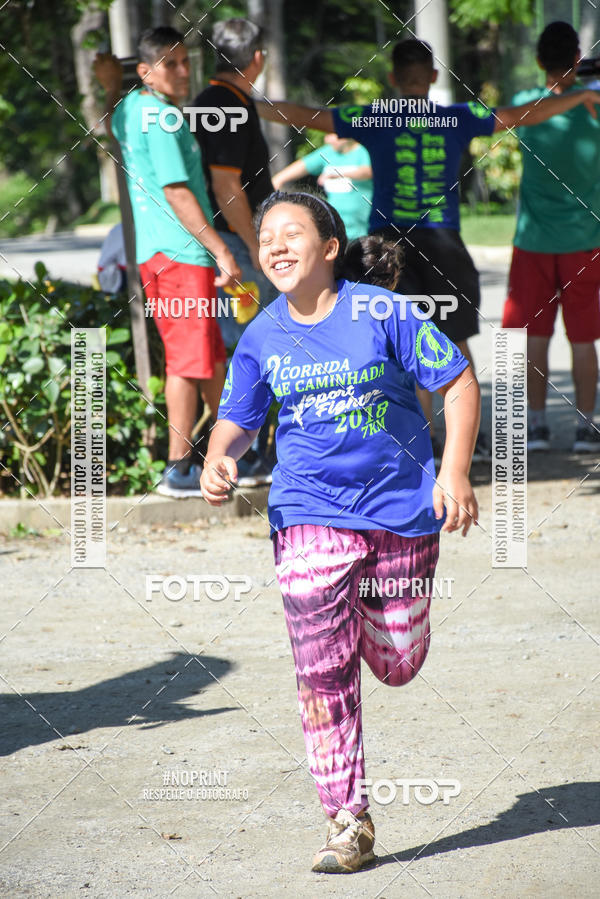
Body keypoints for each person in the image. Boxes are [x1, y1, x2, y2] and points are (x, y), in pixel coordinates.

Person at [200, 190, 480, 872]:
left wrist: (457, 473)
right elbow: (240, 415)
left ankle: (370, 625)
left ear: (330, 248)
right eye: (266, 236)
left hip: (403, 515)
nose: (274, 245)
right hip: (307, 512)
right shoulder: (263, 333)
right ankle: (347, 818)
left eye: (292, 232)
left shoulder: (382, 311)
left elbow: (458, 380)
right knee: (320, 671)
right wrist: (218, 453)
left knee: (398, 662)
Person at [255, 39, 600, 460]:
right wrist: (580, 95)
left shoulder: (373, 119)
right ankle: (466, 443)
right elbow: (518, 116)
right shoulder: (458, 118)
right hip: (442, 241)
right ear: (434, 76)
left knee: (398, 345)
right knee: (453, 341)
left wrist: (251, 103)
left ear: (394, 79)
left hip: (386, 246)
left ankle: (422, 441)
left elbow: (310, 116)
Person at [93, 27, 241, 498]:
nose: (183, 71)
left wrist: (110, 87)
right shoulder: (162, 119)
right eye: (171, 64)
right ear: (147, 70)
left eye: (185, 62)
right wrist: (221, 249)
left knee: (210, 355)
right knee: (188, 360)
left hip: (160, 254)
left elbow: (110, 120)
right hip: (180, 253)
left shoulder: (134, 107)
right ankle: (178, 468)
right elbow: (177, 192)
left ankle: (233, 451)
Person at [502, 21, 600, 453]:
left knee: (534, 337)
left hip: (534, 244)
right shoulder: (595, 108)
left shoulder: (525, 105)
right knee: (583, 339)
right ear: (577, 61)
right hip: (584, 240)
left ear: (539, 60)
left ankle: (537, 427)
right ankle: (585, 427)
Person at [192, 17, 278, 484]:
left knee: (244, 344)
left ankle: (244, 453)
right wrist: (255, 244)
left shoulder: (220, 101)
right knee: (247, 346)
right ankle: (240, 457)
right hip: (236, 247)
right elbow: (227, 185)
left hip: (230, 244)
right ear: (257, 58)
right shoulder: (226, 104)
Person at [272, 133, 373, 239]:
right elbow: (303, 165)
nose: (327, 139)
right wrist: (279, 179)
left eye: (331, 135)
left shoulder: (363, 150)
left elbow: (368, 171)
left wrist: (337, 173)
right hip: (336, 228)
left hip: (363, 228)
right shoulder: (328, 152)